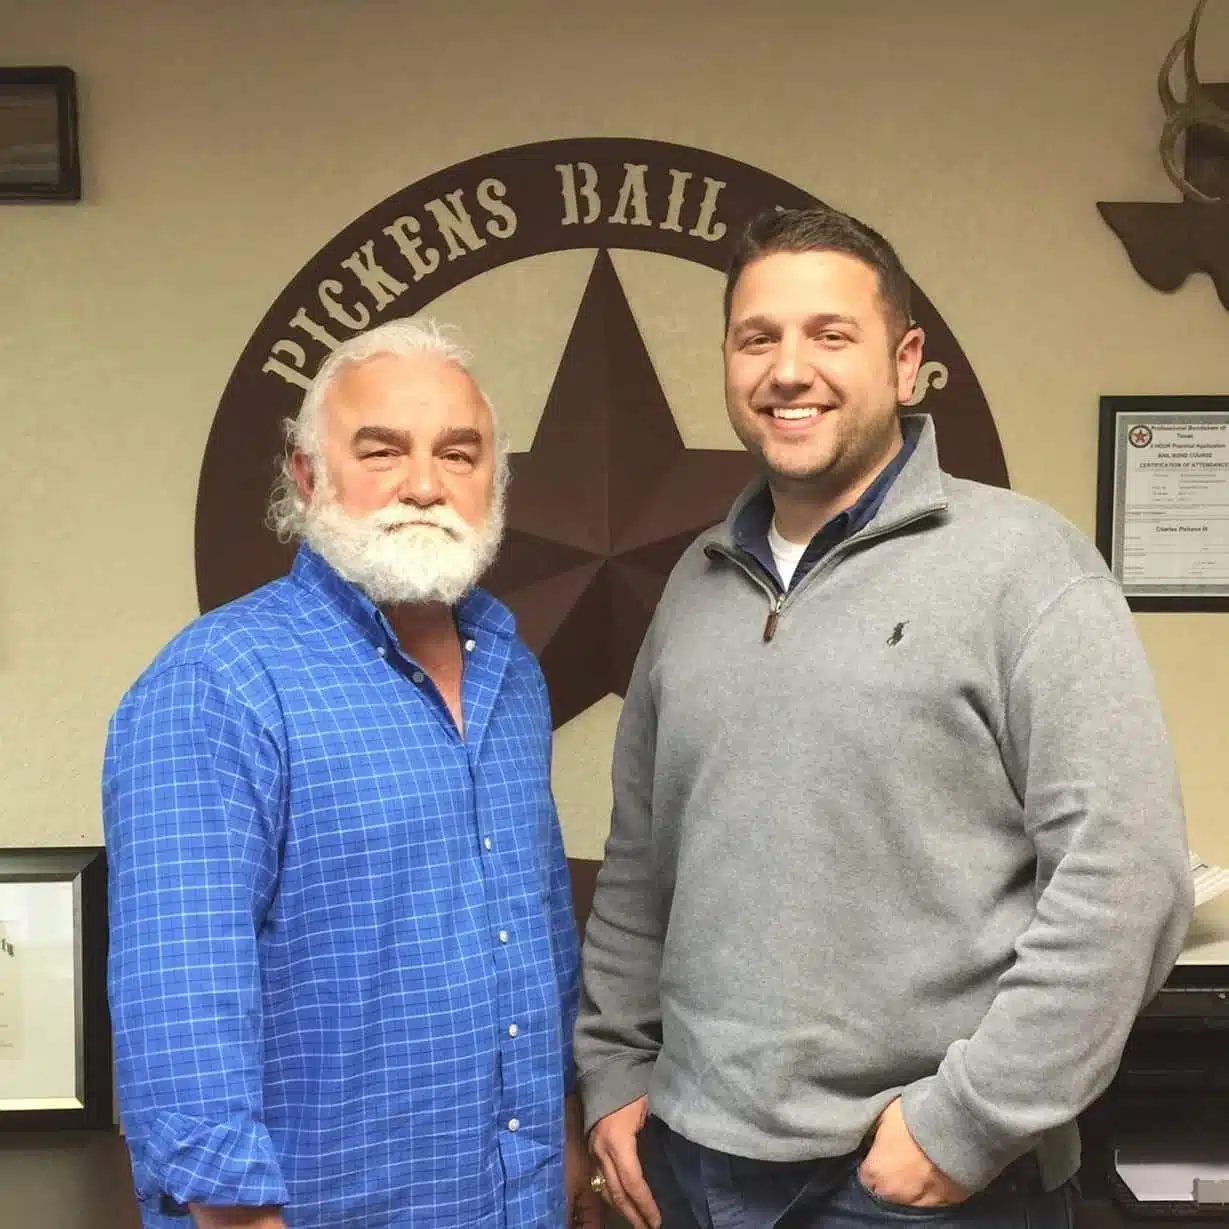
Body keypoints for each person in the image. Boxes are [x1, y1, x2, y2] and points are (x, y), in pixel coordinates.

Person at [575, 207, 1193, 1229]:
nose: (787, 368)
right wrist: (612, 1067)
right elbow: (641, 861)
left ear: (904, 363)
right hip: (689, 1164)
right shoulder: (693, 581)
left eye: (829, 335)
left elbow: (1125, 875)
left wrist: (967, 1121)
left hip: (913, 1183)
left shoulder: (1025, 566)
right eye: (756, 336)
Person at [104, 317, 598, 1229]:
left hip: (514, 1195)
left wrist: (563, 1129)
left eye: (459, 453)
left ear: (495, 481)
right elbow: (180, 994)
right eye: (381, 450)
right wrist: (237, 1216)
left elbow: (533, 928)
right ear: (307, 474)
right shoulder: (220, 682)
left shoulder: (510, 668)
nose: (423, 484)